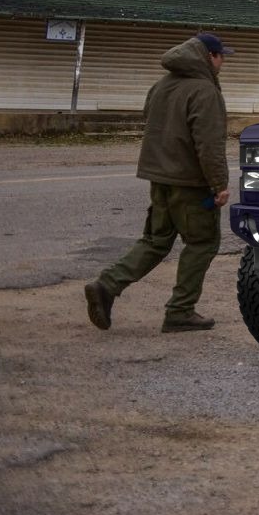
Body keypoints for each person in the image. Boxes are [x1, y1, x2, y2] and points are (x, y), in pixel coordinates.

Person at [84, 32, 234, 333]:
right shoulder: (204, 91)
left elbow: (149, 121)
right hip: (190, 183)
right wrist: (219, 184)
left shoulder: (162, 85)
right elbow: (209, 144)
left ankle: (107, 285)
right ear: (209, 57)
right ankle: (180, 311)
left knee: (155, 241)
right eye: (221, 56)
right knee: (202, 243)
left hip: (159, 178)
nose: (222, 63)